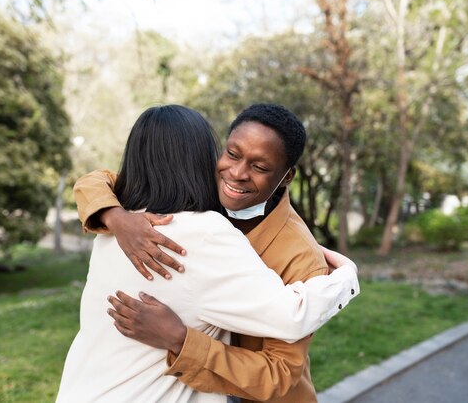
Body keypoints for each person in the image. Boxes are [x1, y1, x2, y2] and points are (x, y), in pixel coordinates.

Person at [57, 104, 359, 403]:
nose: (238, 173)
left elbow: (278, 373)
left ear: (287, 176)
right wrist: (114, 217)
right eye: (232, 154)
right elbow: (97, 179)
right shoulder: (153, 218)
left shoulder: (299, 253)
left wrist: (179, 340)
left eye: (260, 167)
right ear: (211, 154)